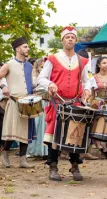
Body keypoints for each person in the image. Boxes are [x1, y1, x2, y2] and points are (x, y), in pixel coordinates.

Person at [37, 26, 90, 181]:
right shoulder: (53, 58)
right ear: (62, 40)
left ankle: (75, 166)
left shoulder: (82, 61)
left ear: (76, 40)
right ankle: (53, 167)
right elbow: (41, 78)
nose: (70, 39)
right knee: (54, 135)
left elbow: (87, 81)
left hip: (75, 103)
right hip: (57, 103)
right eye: (67, 37)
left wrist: (86, 90)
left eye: (72, 37)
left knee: (75, 135)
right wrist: (50, 84)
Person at [0, 37, 36, 169]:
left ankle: (23, 160)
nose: (27, 49)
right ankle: (5, 153)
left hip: (28, 102)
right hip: (14, 101)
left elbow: (33, 82)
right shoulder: (9, 64)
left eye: (28, 47)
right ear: (18, 49)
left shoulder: (30, 66)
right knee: (11, 131)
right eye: (25, 47)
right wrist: (3, 87)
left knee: (26, 131)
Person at [83, 56, 107, 158]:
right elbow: (88, 90)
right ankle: (98, 144)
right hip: (98, 102)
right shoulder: (93, 78)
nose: (106, 65)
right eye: (104, 63)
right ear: (98, 65)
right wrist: (87, 99)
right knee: (99, 118)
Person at [26, 58, 48, 158]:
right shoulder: (33, 77)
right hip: (36, 103)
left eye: (45, 67)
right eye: (41, 67)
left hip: (46, 103)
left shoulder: (48, 77)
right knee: (36, 126)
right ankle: (33, 150)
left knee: (45, 127)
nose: (43, 68)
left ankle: (45, 151)